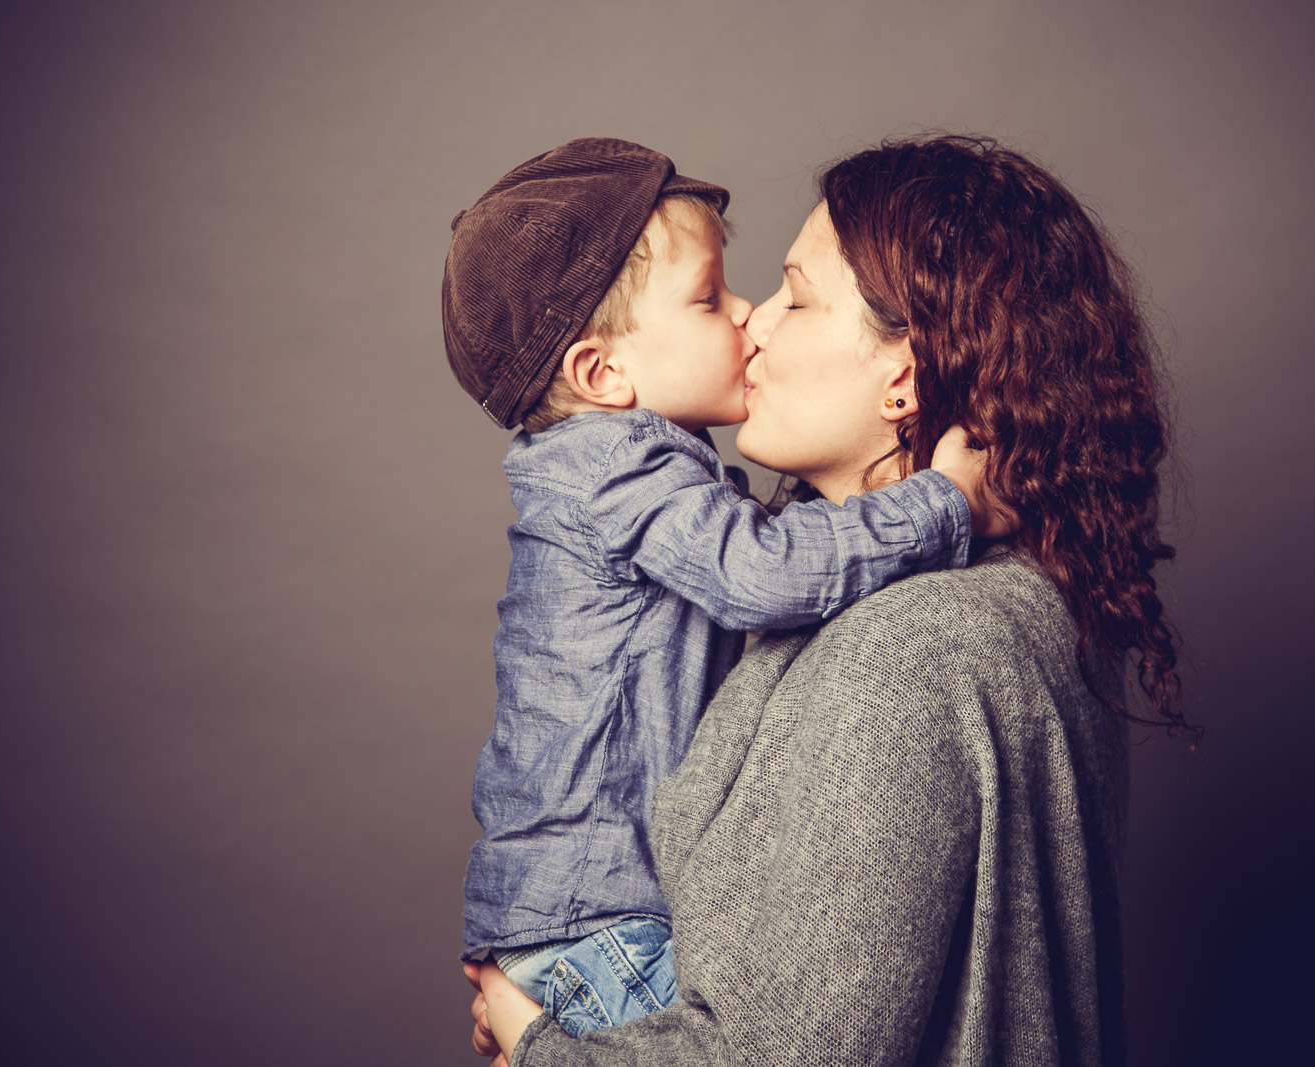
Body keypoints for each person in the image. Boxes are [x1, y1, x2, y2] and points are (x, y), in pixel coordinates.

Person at [466, 135, 1194, 1066]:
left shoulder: (903, 656)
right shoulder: (1006, 600)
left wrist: (541, 1048)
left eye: (796, 297)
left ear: (906, 374)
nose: (753, 324)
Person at [441, 138, 1005, 1038]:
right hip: (602, 912)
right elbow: (764, 574)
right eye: (711, 298)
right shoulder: (618, 460)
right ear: (601, 374)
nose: (748, 316)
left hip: (571, 913)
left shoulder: (612, 464)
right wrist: (941, 506)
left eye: (777, 293)